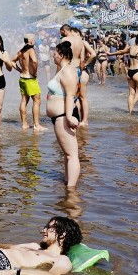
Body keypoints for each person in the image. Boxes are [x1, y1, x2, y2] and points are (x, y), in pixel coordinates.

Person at [45, 42, 80, 186]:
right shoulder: (62, 69)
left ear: (61, 55)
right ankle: (67, 184)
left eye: (55, 53)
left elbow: (71, 95)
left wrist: (69, 116)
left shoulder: (68, 71)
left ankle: (71, 192)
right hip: (60, 116)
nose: (53, 56)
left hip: (64, 116)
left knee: (72, 155)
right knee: (67, 154)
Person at [111, 34, 138, 115]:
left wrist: (110, 54)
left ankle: (130, 112)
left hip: (129, 72)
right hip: (137, 72)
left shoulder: (131, 47)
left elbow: (121, 51)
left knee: (131, 94)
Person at [13, 33, 44, 132]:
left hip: (22, 78)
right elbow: (34, 61)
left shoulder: (21, 51)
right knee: (37, 100)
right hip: (30, 78)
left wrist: (20, 70)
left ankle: (24, 124)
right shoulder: (31, 49)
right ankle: (36, 124)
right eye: (34, 39)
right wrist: (34, 73)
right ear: (31, 41)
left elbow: (12, 61)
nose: (34, 41)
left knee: (24, 100)